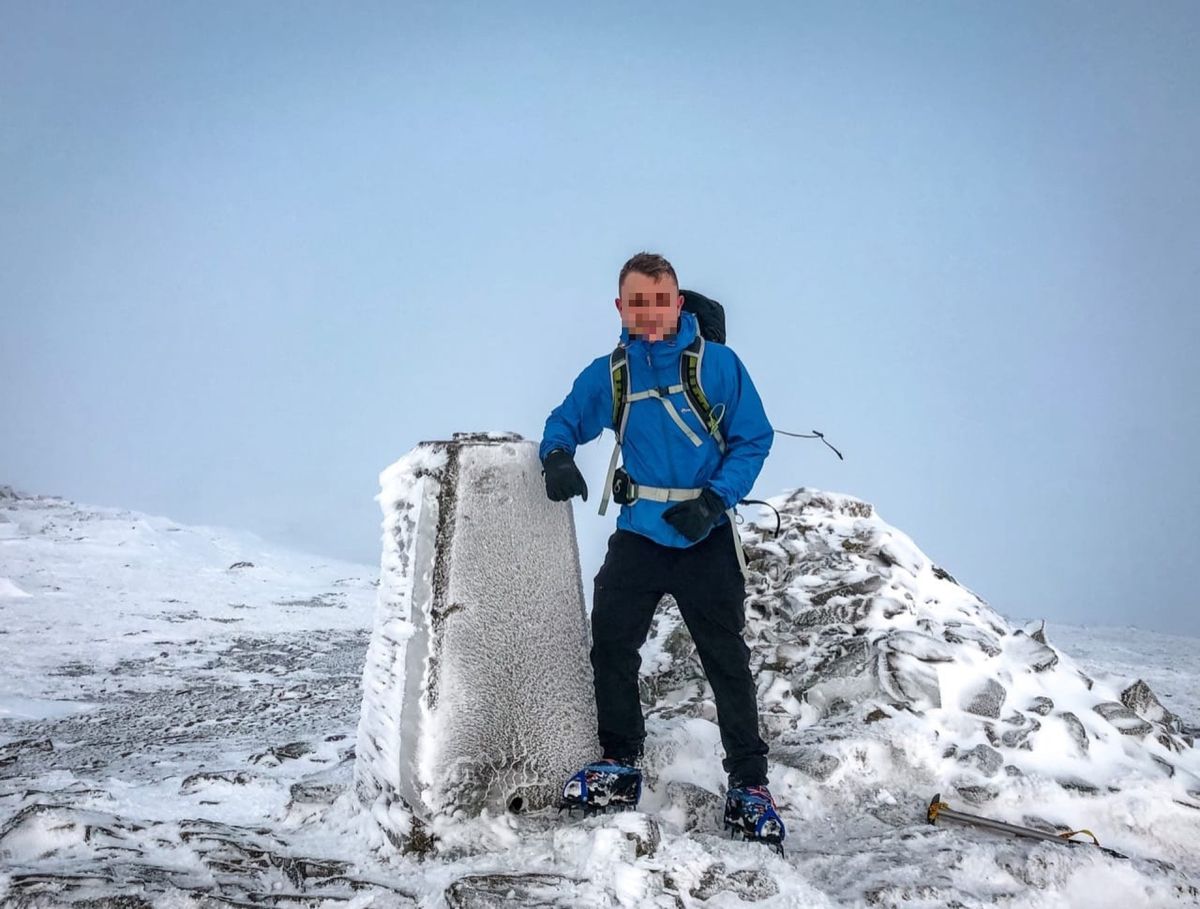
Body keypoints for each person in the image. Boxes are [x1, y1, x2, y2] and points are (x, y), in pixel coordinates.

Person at [540, 251, 784, 848]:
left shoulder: (718, 365)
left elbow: (754, 438)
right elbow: (566, 419)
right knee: (611, 645)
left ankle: (750, 786)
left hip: (704, 533)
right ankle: (619, 761)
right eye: (637, 302)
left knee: (725, 660)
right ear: (620, 307)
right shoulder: (612, 373)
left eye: (658, 300)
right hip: (640, 534)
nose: (649, 313)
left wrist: (715, 501)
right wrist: (557, 456)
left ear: (677, 302)